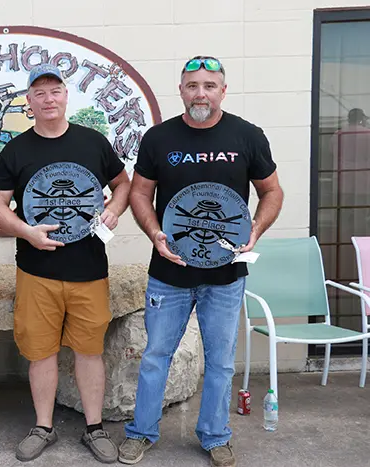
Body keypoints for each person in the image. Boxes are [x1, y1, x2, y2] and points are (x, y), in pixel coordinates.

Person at [118, 56, 284, 466]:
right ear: (181, 90)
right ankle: (141, 432)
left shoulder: (247, 136)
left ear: (223, 91)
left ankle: (215, 436)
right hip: (169, 273)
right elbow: (139, 194)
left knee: (221, 362)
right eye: (192, 85)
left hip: (226, 276)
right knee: (156, 354)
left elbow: (272, 192)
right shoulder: (159, 138)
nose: (201, 93)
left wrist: (255, 230)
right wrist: (155, 234)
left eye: (210, 85)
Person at [0, 63, 132, 464]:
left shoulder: (93, 142)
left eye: (55, 91)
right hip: (37, 270)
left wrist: (115, 210)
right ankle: (43, 427)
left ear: (66, 96)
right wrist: (26, 231)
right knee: (41, 352)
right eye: (40, 93)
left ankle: (94, 427)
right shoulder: (16, 150)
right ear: (30, 102)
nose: (49, 99)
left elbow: (123, 184)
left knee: (89, 351)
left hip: (89, 268)